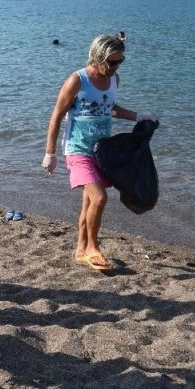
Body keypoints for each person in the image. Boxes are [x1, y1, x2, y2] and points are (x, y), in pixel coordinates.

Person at [43, 34, 156, 271]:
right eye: (112, 62)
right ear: (97, 58)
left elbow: (110, 108)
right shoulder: (77, 80)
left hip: (101, 152)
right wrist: (50, 153)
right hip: (77, 149)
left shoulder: (114, 79)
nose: (116, 67)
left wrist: (138, 116)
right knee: (99, 198)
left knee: (88, 204)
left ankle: (81, 249)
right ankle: (94, 247)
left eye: (120, 61)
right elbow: (56, 114)